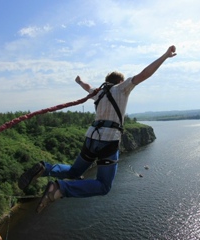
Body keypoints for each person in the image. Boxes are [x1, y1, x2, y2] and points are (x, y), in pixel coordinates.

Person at [18, 45, 177, 213]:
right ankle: (61, 189)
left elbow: (87, 87)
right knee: (103, 186)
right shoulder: (121, 89)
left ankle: (46, 168)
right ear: (120, 81)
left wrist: (79, 81)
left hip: (91, 139)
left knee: (74, 171)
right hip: (108, 142)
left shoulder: (98, 92)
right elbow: (144, 74)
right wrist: (165, 56)